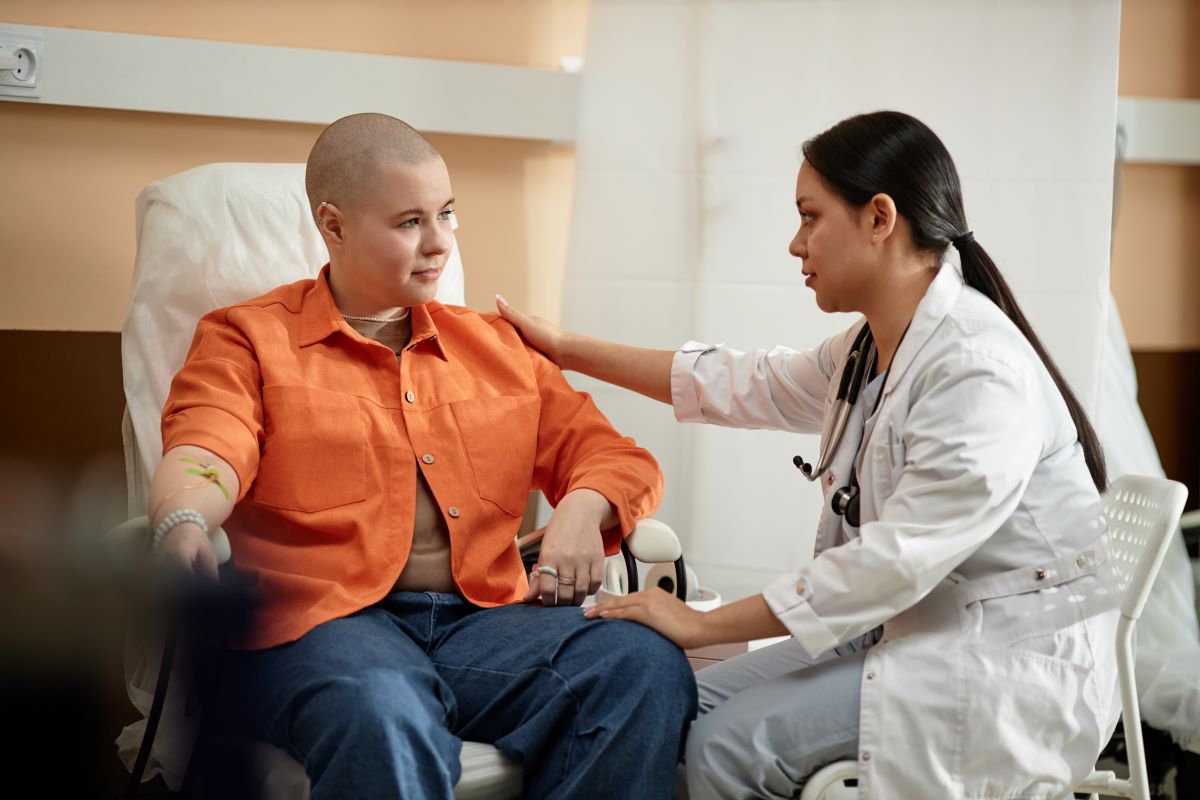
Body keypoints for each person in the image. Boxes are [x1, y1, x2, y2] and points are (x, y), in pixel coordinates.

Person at [497, 110, 1122, 799]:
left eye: (810, 216)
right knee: (675, 704)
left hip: (996, 663)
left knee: (724, 749)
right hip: (908, 630)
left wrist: (703, 620)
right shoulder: (873, 348)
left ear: (879, 218)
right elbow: (744, 382)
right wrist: (564, 348)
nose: (796, 244)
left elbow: (892, 563)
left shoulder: (975, 372)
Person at [147, 112, 696, 799]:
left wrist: (583, 509)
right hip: (320, 629)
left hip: (484, 626)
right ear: (334, 225)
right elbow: (207, 446)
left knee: (641, 664)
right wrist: (184, 518)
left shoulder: (496, 350)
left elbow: (612, 455)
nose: (438, 243)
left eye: (446, 215)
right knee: (384, 708)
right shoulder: (248, 340)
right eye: (409, 222)